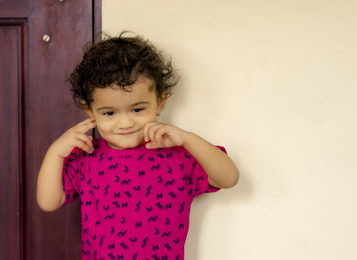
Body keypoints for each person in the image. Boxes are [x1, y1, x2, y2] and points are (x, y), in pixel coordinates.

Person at [37, 32, 239, 260]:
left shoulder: (179, 156)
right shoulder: (86, 156)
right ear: (90, 111)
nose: (125, 123)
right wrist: (55, 153)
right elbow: (48, 202)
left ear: (159, 103)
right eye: (109, 113)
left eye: (137, 109)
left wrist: (188, 138)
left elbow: (228, 178)